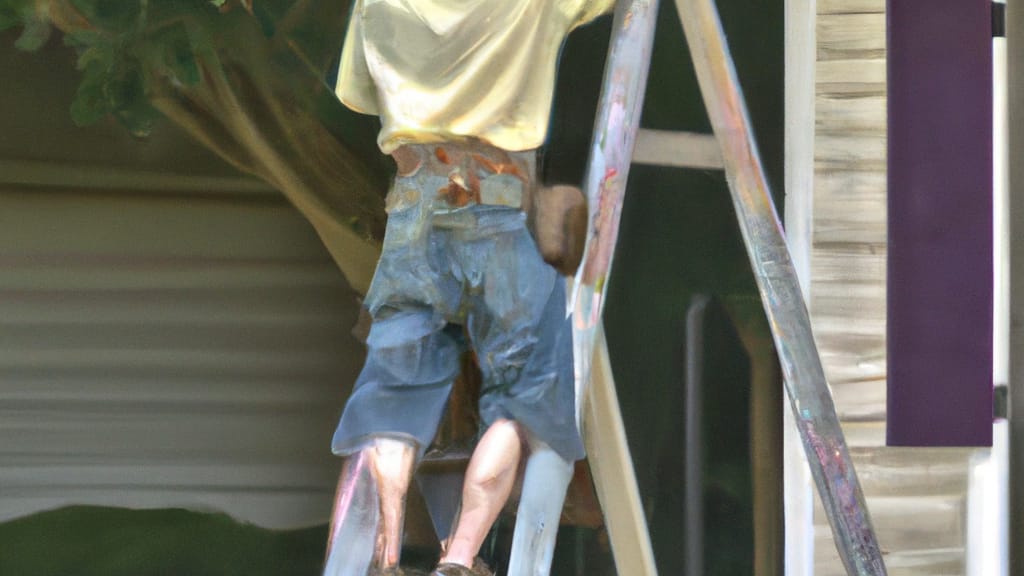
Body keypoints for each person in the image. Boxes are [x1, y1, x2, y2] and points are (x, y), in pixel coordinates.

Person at [323, 2, 614, 575]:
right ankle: (459, 561)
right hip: (499, 202)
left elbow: (357, 94)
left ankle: (384, 559)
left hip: (413, 204)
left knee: (395, 391)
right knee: (527, 396)